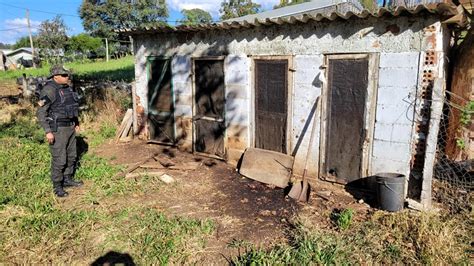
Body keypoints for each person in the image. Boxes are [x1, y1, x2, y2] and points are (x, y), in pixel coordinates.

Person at [37, 65, 83, 197]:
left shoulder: (67, 88)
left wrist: (76, 122)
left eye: (67, 75)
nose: (67, 77)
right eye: (64, 75)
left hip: (70, 127)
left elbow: (71, 107)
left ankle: (68, 179)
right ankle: (57, 186)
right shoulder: (49, 90)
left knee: (72, 155)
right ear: (55, 77)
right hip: (58, 129)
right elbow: (40, 112)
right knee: (59, 158)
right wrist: (48, 131)